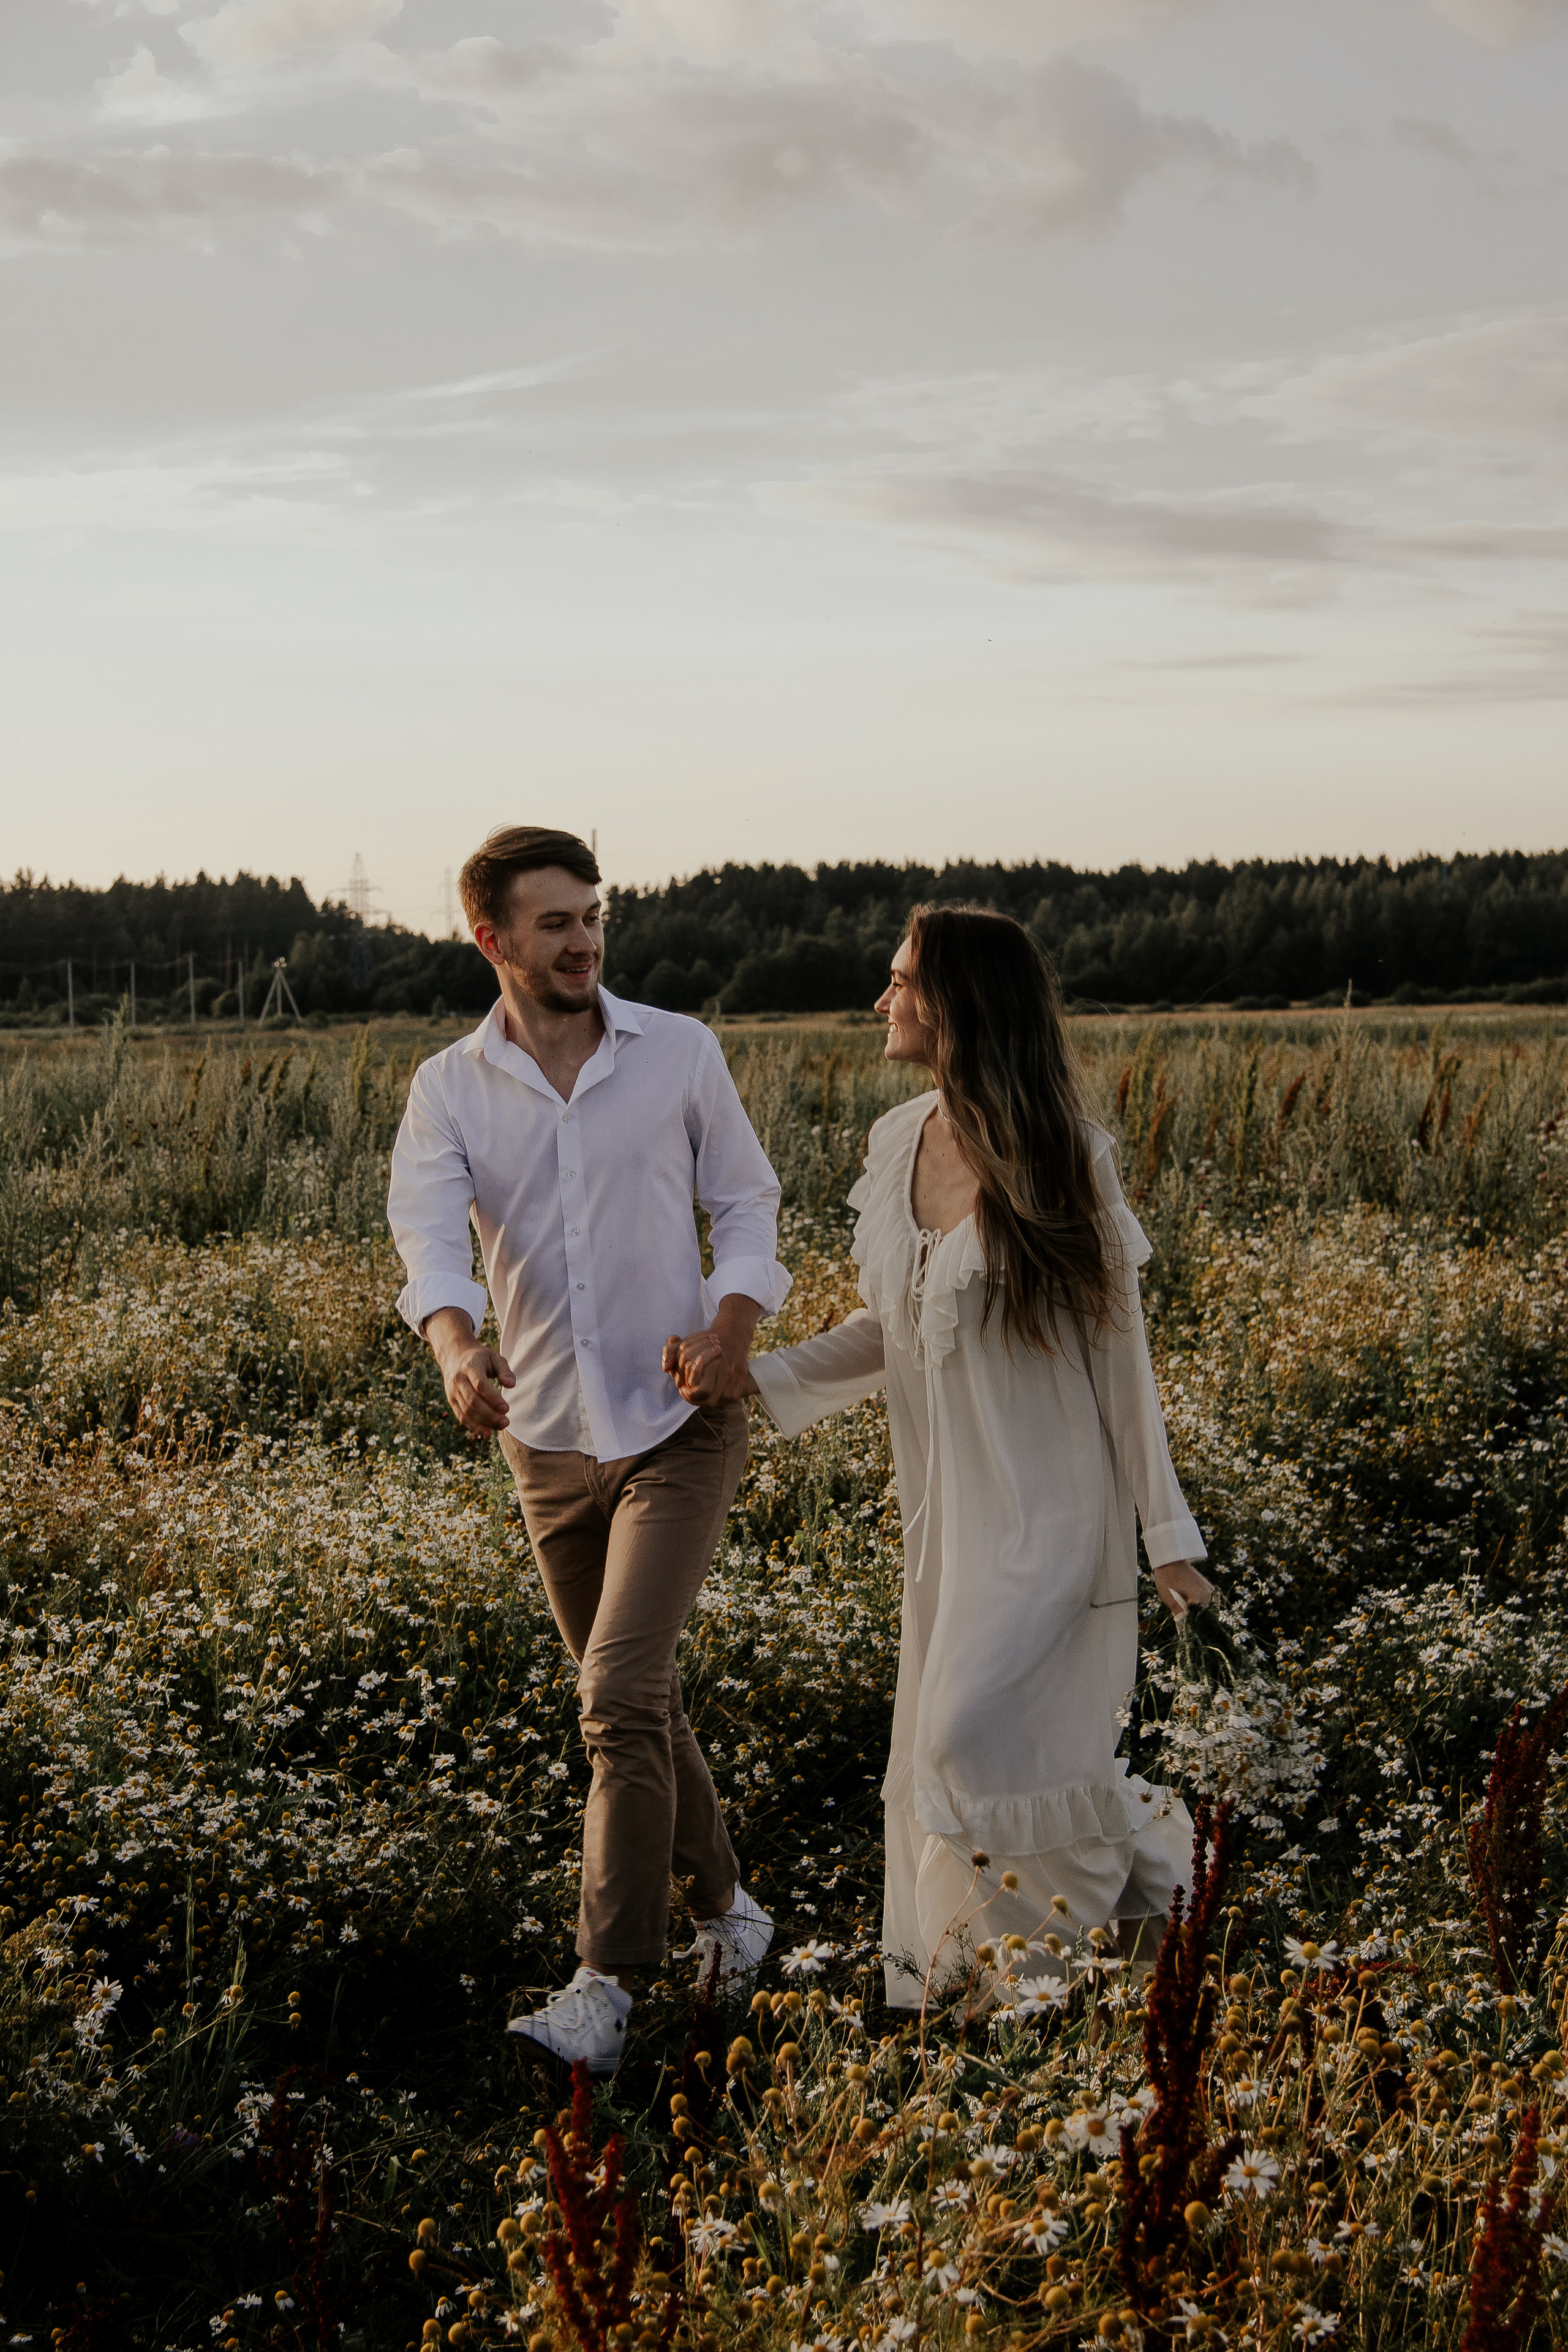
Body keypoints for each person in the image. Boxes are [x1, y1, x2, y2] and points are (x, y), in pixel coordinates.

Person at [670, 905, 1212, 2010]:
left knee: (969, 1743)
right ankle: (990, 1992)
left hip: (1055, 1511)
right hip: (948, 1522)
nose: (882, 999)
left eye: (901, 981)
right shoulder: (897, 1141)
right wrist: (757, 1377)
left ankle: (1083, 1940)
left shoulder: (1066, 1158)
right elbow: (894, 1327)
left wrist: (1168, 1543)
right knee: (958, 1752)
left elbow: (1125, 1366)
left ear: (958, 1002)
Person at [388, 824, 790, 2075]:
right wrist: (457, 1347)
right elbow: (429, 1244)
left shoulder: (678, 1051)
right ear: (492, 939)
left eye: (593, 916)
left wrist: (731, 1328)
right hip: (548, 1441)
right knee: (640, 1700)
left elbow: (746, 1200)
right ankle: (731, 1912)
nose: (584, 942)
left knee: (614, 1698)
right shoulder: (448, 1088)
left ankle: (604, 1989)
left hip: (679, 1424)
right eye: (555, 922)